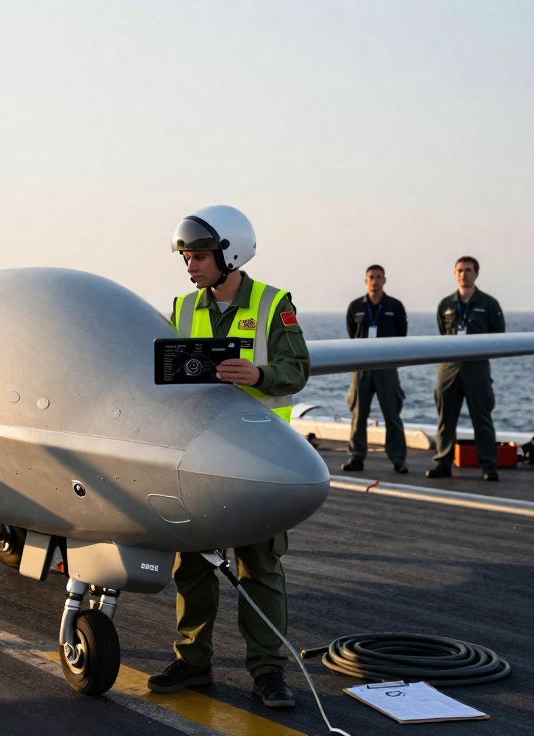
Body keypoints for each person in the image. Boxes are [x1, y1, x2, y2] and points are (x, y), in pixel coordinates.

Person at [148, 205, 310, 709]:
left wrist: (258, 376)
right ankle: (192, 663)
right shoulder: (181, 308)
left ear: (230, 253)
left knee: (259, 570)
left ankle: (268, 673)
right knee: (191, 567)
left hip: (256, 459)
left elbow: (297, 368)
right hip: (200, 458)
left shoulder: (273, 303)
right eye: (187, 258)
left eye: (198, 256)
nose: (191, 266)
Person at [426, 256, 505, 481]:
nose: (464, 274)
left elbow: (499, 335)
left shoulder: (489, 304)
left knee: (482, 417)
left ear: (476, 273)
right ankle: (442, 463)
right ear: (455, 274)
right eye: (460, 270)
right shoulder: (446, 304)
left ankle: (489, 466)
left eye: (468, 270)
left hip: (477, 366)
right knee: (445, 418)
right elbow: (443, 332)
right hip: (449, 366)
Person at [340, 265, 409, 473]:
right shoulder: (355, 307)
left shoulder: (395, 306)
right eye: (371, 277)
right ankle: (356, 457)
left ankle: (398, 459)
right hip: (360, 367)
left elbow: (401, 334)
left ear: (384, 280)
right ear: (365, 280)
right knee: (358, 414)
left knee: (392, 413)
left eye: (379, 277)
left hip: (386, 366)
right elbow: (352, 333)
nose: (375, 280)